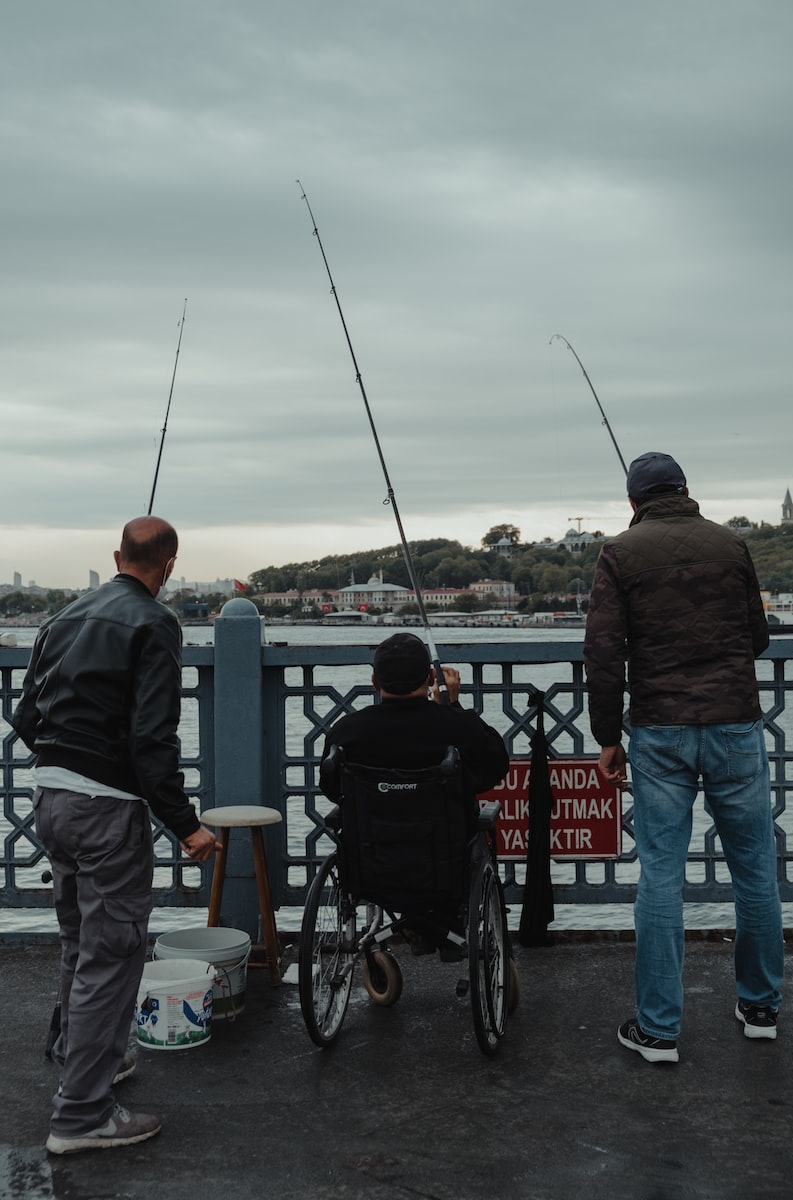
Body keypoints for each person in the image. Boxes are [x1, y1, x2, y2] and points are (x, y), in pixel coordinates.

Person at [11, 517, 219, 1153]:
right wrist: (186, 826)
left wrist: (67, 762)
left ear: (117, 556)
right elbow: (152, 740)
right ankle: (81, 1117)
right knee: (113, 952)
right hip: (105, 813)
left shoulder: (63, 617)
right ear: (170, 563)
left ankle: (85, 1058)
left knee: (80, 942)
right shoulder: (156, 623)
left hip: (50, 800)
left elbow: (24, 715)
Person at [584, 452, 784, 1064]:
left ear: (633, 502)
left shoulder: (619, 552)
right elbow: (757, 636)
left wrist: (607, 737)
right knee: (754, 870)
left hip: (660, 730)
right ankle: (760, 1008)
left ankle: (660, 1029)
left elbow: (603, 653)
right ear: (686, 490)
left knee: (662, 876)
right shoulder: (731, 546)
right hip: (734, 725)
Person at [320, 632, 509, 953]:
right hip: (445, 868)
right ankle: (447, 934)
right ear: (431, 678)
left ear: (374, 681)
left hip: (371, 870)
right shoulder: (455, 726)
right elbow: (494, 768)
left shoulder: (346, 731)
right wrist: (454, 706)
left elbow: (331, 789)